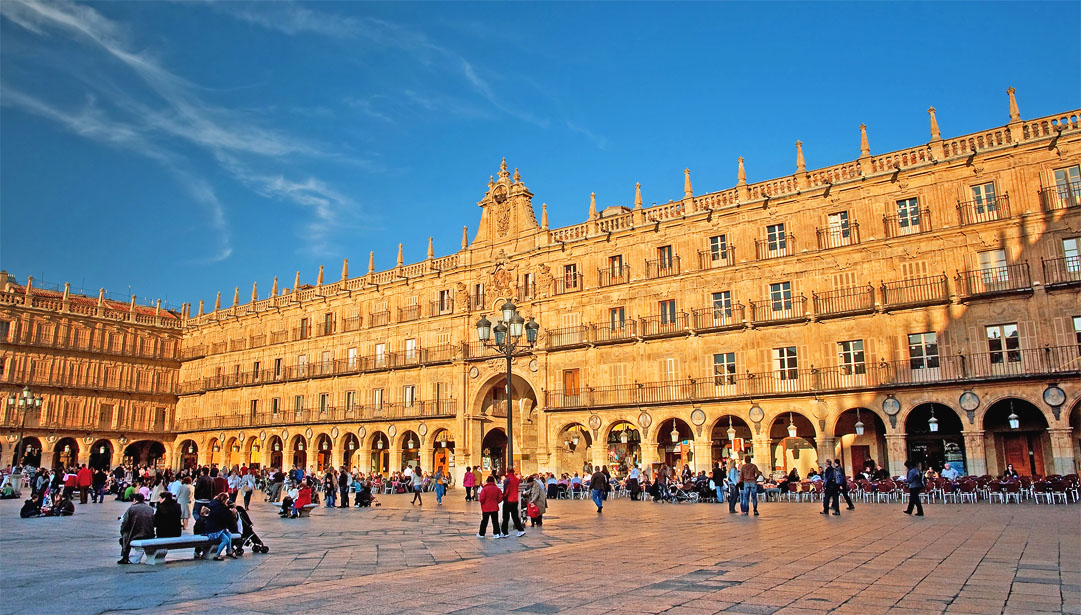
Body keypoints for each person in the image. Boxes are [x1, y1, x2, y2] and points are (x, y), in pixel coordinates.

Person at [118, 493, 155, 564]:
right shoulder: (150, 508)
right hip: (149, 533)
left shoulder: (131, 509)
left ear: (135, 500)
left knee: (124, 537)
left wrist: (123, 531)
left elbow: (125, 523)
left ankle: (125, 557)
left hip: (136, 534)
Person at [202, 493, 238, 560]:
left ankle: (229, 551)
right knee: (226, 539)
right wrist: (232, 513)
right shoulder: (221, 508)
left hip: (214, 527)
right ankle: (217, 554)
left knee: (229, 534)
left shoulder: (213, 504)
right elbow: (226, 519)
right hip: (214, 530)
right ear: (224, 500)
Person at [501, 467, 525, 537]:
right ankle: (520, 530)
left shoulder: (507, 480)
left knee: (505, 517)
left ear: (507, 471)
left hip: (508, 500)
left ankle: (505, 532)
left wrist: (503, 497)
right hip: (515, 499)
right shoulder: (516, 479)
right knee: (515, 516)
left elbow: (506, 491)